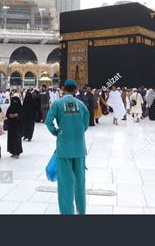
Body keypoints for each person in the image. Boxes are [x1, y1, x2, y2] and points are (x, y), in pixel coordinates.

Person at [45, 79, 90, 215]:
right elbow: (86, 125)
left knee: (65, 184)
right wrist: (77, 132)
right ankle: (81, 211)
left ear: (63, 88)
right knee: (80, 183)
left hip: (64, 148)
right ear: (76, 89)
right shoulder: (81, 105)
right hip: (79, 148)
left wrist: (56, 132)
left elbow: (48, 121)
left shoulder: (57, 104)